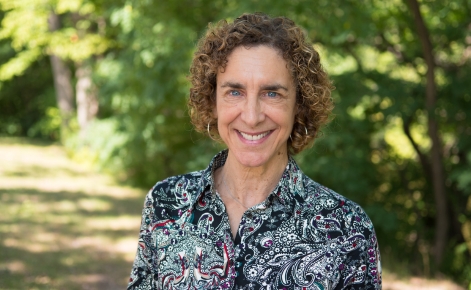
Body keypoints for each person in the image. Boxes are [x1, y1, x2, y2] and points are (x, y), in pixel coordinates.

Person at [127, 12, 381, 290]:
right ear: (213, 102)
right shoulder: (166, 204)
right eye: (234, 92)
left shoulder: (347, 228)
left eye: (272, 93)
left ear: (299, 105)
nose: (251, 116)